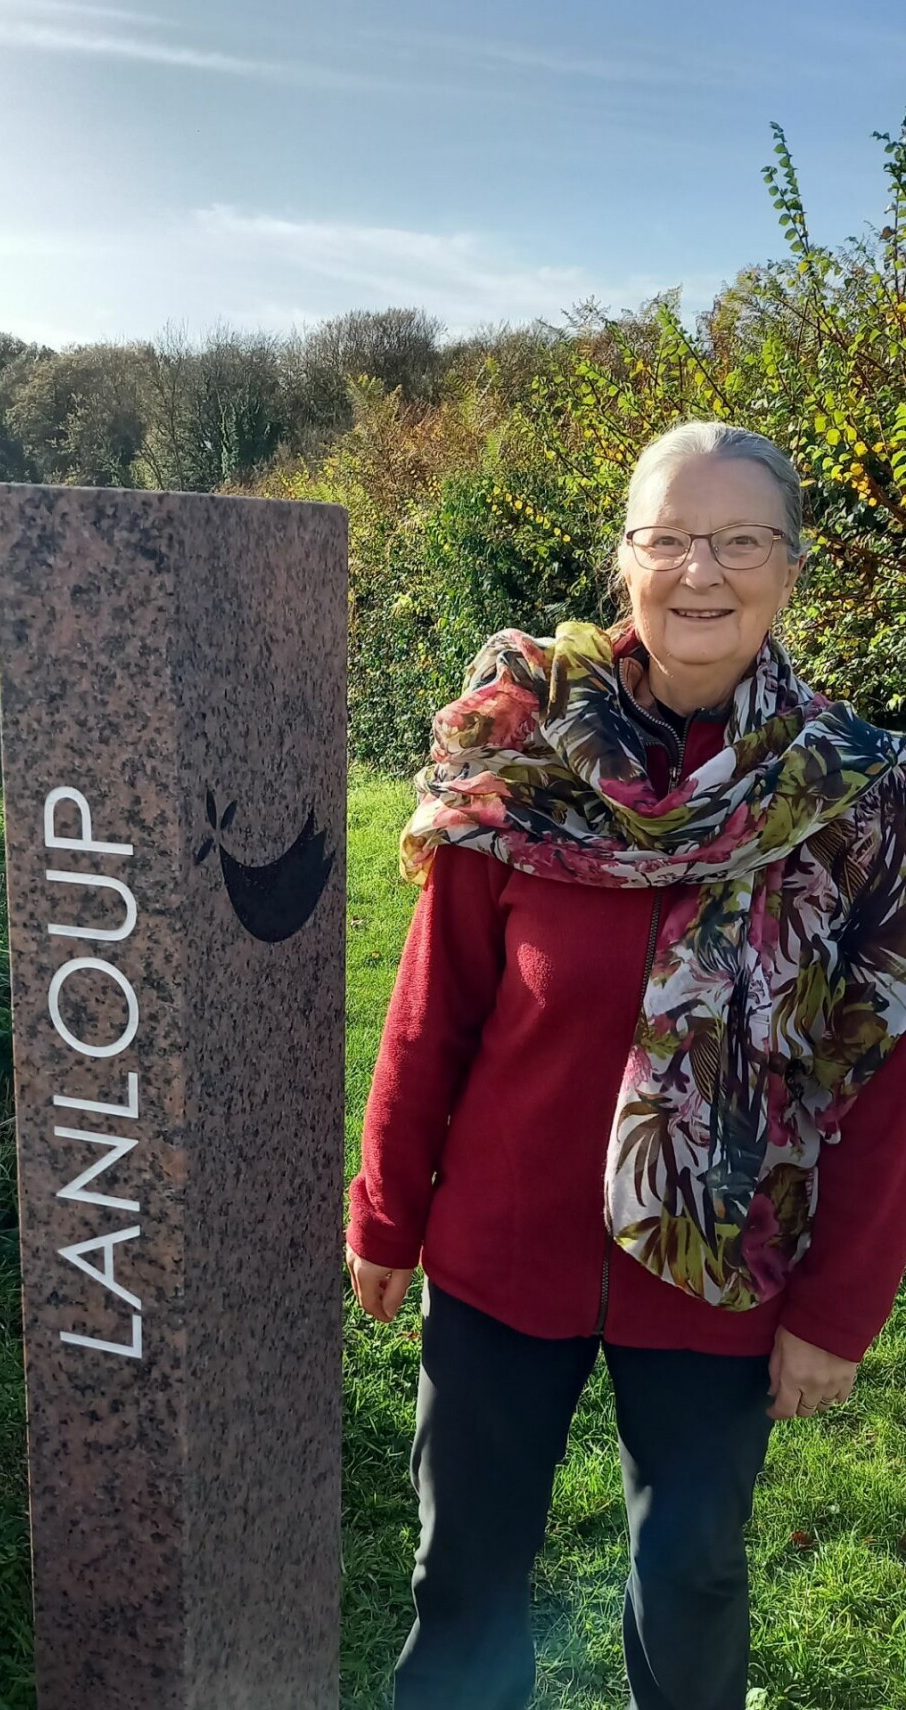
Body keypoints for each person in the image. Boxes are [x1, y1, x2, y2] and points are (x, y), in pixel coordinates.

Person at [346, 420, 906, 1710]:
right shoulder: (525, 752)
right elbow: (434, 1008)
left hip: (723, 1263)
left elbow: (880, 1082)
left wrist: (836, 1312)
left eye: (740, 540)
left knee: (690, 1577)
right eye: (669, 537)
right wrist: (386, 1209)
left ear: (791, 568)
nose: (700, 571)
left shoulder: (859, 798)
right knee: (464, 1575)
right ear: (624, 560)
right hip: (500, 1250)